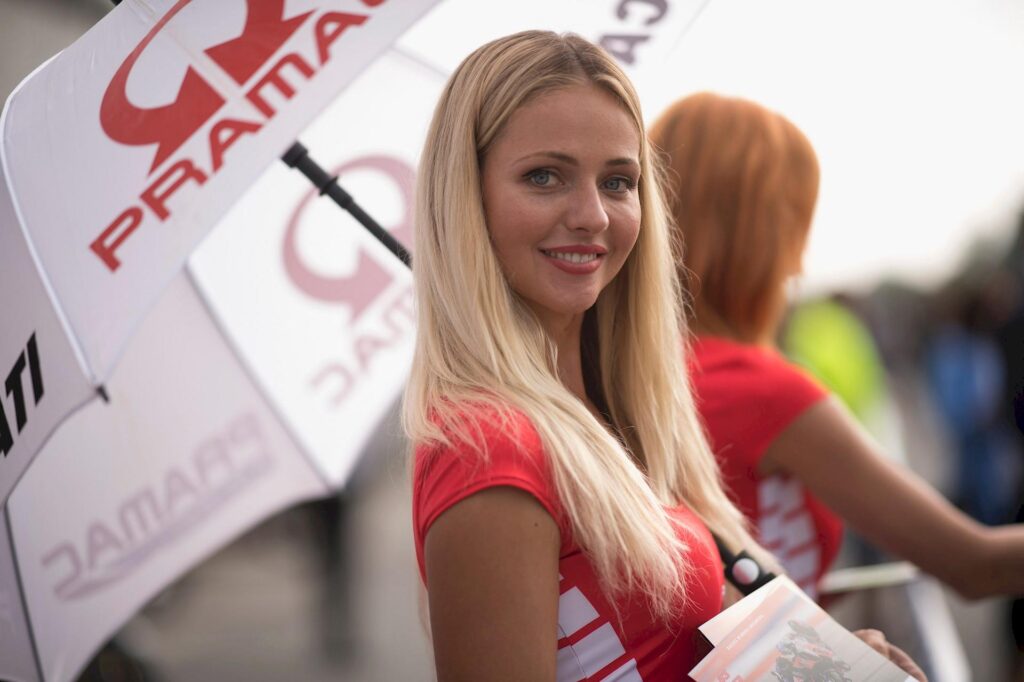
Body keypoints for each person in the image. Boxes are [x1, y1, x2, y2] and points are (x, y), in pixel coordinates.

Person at [404, 32, 924, 681]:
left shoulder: (613, 413)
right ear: (466, 196)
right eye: (544, 176)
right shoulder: (488, 449)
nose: (593, 215)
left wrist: (822, 667)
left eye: (618, 182)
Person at [650, 91, 1024, 601]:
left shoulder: (629, 373)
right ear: (757, 239)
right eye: (793, 225)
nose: (797, 263)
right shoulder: (760, 390)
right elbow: (977, 565)